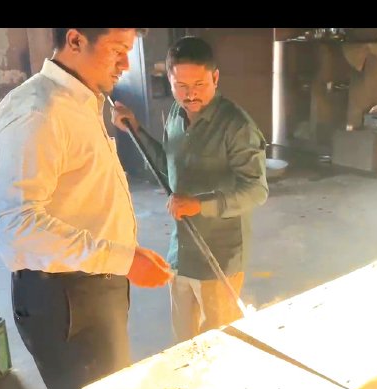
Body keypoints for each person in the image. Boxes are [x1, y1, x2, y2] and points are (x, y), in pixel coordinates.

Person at [0, 28, 172, 389]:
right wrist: (122, 259)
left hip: (93, 282)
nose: (125, 63)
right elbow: (18, 226)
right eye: (117, 50)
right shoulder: (39, 111)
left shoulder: (82, 100)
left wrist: (122, 252)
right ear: (74, 40)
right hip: (66, 298)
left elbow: (82, 195)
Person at [112, 36, 268, 343]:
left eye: (199, 84)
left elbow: (255, 190)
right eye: (181, 85)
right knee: (184, 342)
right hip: (181, 253)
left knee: (219, 342)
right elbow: (167, 167)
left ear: (215, 78)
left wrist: (200, 204)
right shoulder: (175, 114)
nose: (190, 94)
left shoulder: (237, 126)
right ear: (170, 81)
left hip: (219, 257)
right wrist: (136, 129)